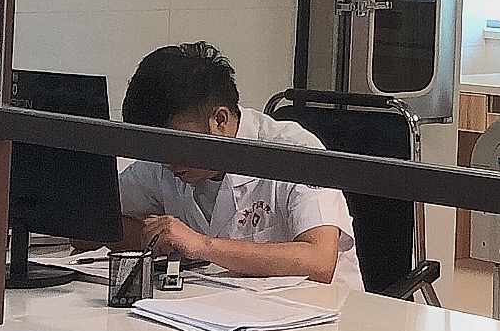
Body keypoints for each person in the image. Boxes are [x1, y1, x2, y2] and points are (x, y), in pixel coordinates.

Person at [113, 42, 359, 288]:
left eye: (175, 143)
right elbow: (104, 219)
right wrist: (155, 237)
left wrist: (202, 245)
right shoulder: (163, 161)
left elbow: (318, 262)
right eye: (156, 147)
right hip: (214, 303)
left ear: (219, 120)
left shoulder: (293, 151)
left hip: (318, 306)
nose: (166, 161)